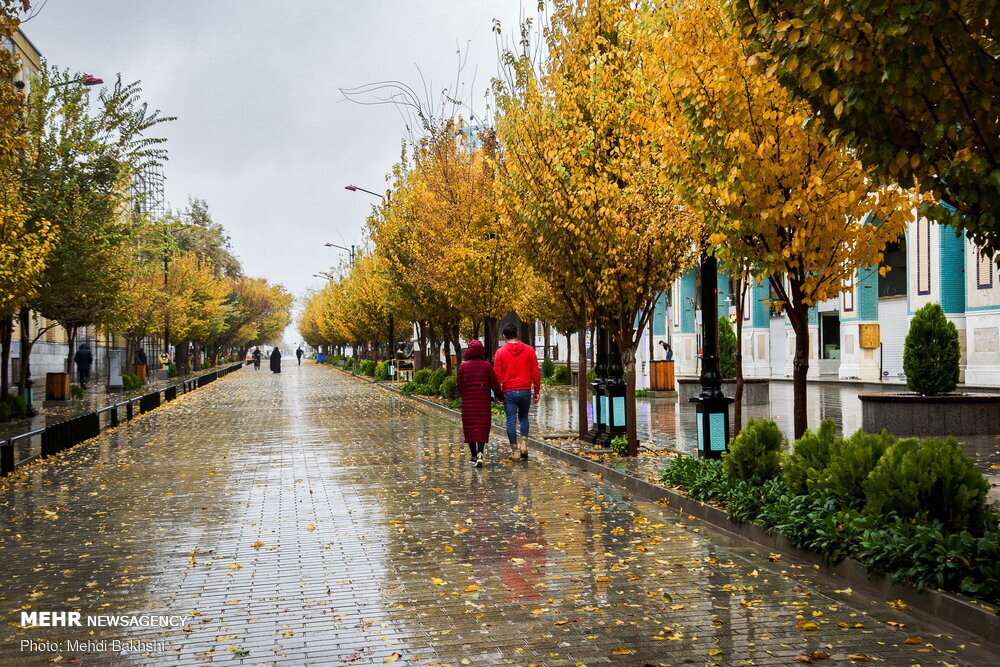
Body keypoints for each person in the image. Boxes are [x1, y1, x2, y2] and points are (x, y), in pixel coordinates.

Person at [494, 323, 540, 460]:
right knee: (524, 417)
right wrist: (536, 390)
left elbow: (497, 376)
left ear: (504, 336)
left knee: (511, 421)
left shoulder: (500, 353)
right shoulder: (529, 350)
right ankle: (524, 444)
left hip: (509, 391)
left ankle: (514, 451)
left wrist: (498, 394)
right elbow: (535, 372)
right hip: (525, 389)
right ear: (517, 334)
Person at [457, 340, 503, 468]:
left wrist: (465, 394)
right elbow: (495, 384)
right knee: (482, 429)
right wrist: (501, 397)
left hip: (468, 405)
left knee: (470, 429)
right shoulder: (487, 366)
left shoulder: (463, 366)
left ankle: (473, 456)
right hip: (483, 404)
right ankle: (480, 454)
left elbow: (459, 385)